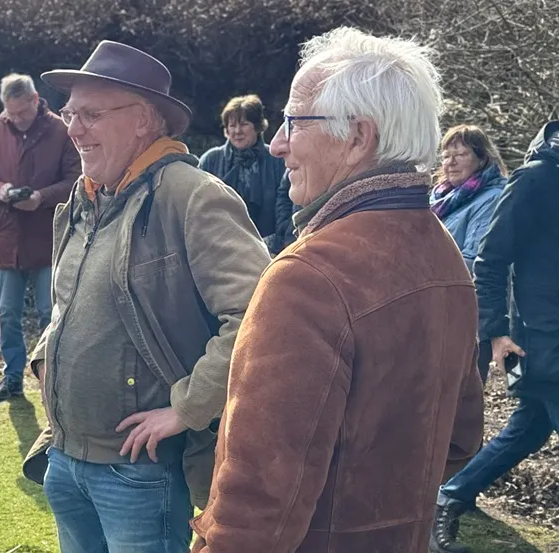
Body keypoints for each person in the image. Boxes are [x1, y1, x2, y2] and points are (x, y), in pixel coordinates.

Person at [190, 27, 485, 553]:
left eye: (293, 122)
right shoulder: (444, 255)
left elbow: (254, 506)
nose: (278, 143)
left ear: (358, 137)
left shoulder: (309, 276)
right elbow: (459, 439)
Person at [29, 41, 270, 553]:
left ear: (143, 119)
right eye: (70, 113)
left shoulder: (194, 195)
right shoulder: (83, 196)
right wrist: (44, 359)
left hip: (139, 473)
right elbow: (66, 304)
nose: (73, 129)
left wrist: (185, 409)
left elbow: (260, 318)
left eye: (91, 114)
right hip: (65, 460)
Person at [430, 121, 559, 553]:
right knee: (530, 427)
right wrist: (498, 334)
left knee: (529, 429)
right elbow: (489, 261)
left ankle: (448, 497)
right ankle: (445, 500)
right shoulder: (536, 178)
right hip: (539, 341)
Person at [0, 73, 80, 402]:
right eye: (11, 114)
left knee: (51, 312)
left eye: (21, 113)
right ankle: (13, 378)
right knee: (7, 313)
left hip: (49, 236)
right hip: (9, 238)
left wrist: (41, 197)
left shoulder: (61, 131)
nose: (16, 120)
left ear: (35, 100)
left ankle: (55, 377)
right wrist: (3, 191)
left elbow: (76, 178)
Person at [198, 94, 289, 254]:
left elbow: (286, 206)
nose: (237, 131)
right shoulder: (210, 160)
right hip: (220, 250)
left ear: (258, 126)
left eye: (244, 124)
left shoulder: (277, 159)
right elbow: (199, 209)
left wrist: (279, 245)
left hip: (270, 251)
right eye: (232, 125)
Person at [431, 124, 507, 273]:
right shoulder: (440, 197)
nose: (451, 162)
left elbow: (473, 262)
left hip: (461, 291)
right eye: (446, 156)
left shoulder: (493, 199)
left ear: (482, 159)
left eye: (460, 154)